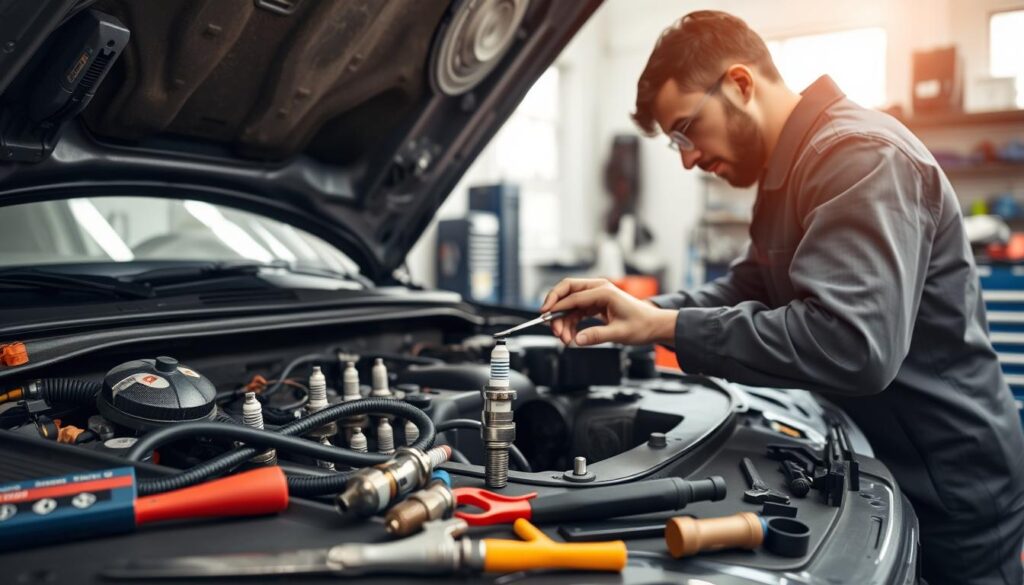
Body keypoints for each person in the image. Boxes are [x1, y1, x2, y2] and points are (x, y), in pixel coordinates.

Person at [540, 11, 1024, 585]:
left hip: (951, 486)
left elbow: (851, 344)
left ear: (741, 84)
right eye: (676, 143)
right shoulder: (788, 172)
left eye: (685, 131)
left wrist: (664, 326)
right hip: (887, 460)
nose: (688, 158)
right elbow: (747, 288)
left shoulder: (859, 157)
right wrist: (633, 309)